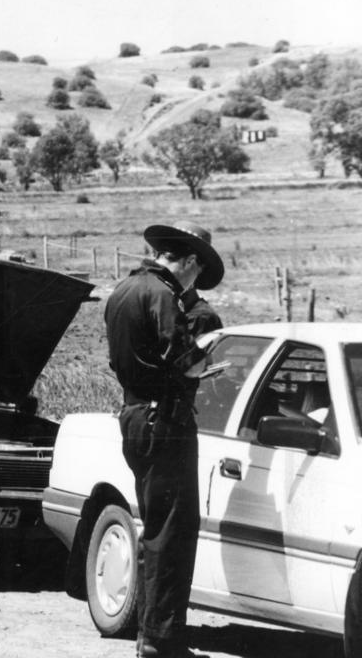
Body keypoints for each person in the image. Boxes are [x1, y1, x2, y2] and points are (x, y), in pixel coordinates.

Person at [104, 221, 224, 658]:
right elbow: (184, 358)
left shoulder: (124, 290)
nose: (194, 282)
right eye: (197, 271)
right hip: (165, 421)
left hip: (136, 415)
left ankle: (149, 633)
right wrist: (203, 358)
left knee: (157, 526)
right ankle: (161, 639)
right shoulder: (162, 295)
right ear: (189, 262)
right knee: (172, 531)